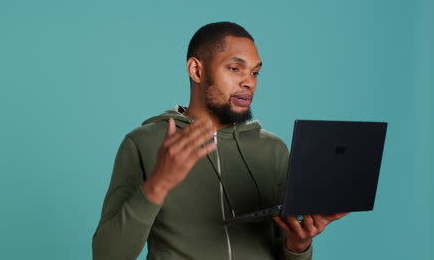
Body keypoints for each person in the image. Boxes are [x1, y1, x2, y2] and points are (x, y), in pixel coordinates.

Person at [92, 21, 348, 260]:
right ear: (196, 70)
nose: (249, 82)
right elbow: (107, 255)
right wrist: (158, 183)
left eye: (255, 72)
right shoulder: (145, 143)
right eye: (235, 68)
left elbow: (287, 251)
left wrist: (299, 245)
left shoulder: (274, 149)